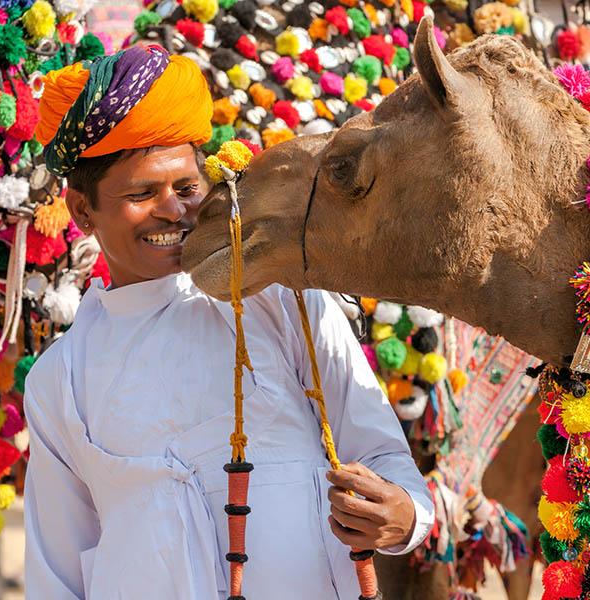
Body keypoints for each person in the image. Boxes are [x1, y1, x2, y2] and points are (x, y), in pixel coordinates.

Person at [23, 45, 434, 599]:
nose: (174, 210)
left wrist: (401, 514)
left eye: (186, 188)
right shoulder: (61, 380)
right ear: (81, 210)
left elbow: (382, 453)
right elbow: (57, 571)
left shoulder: (284, 301)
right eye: (142, 194)